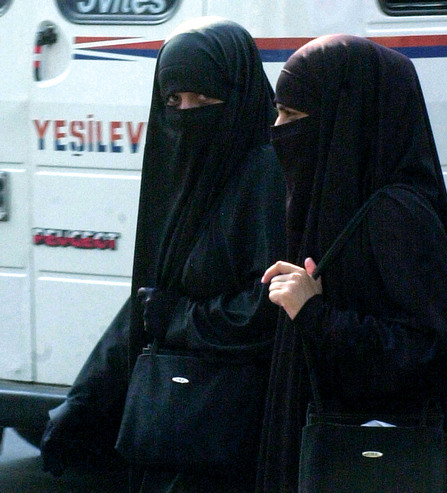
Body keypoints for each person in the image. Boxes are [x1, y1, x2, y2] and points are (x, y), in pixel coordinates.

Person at [40, 17, 286, 492]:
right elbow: (148, 300)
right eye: (174, 101)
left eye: (204, 100)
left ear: (237, 97)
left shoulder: (265, 174)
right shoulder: (185, 177)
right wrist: (83, 400)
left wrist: (181, 318)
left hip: (235, 434)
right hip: (174, 426)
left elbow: (268, 306)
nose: (186, 114)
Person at [258, 34, 447, 492]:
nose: (278, 129)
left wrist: (315, 314)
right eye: (278, 112)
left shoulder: (396, 213)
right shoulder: (341, 198)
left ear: (345, 120)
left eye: (293, 116)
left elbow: (427, 350)